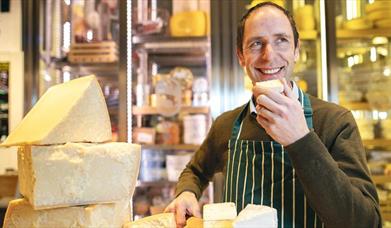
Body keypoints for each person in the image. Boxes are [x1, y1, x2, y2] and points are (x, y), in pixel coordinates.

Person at [165, 2, 381, 228]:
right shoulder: (226, 125)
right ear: (241, 56)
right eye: (256, 43)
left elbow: (365, 222)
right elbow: (196, 171)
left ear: (296, 50)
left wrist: (301, 139)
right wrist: (187, 192)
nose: (269, 56)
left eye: (281, 40)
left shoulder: (334, 122)